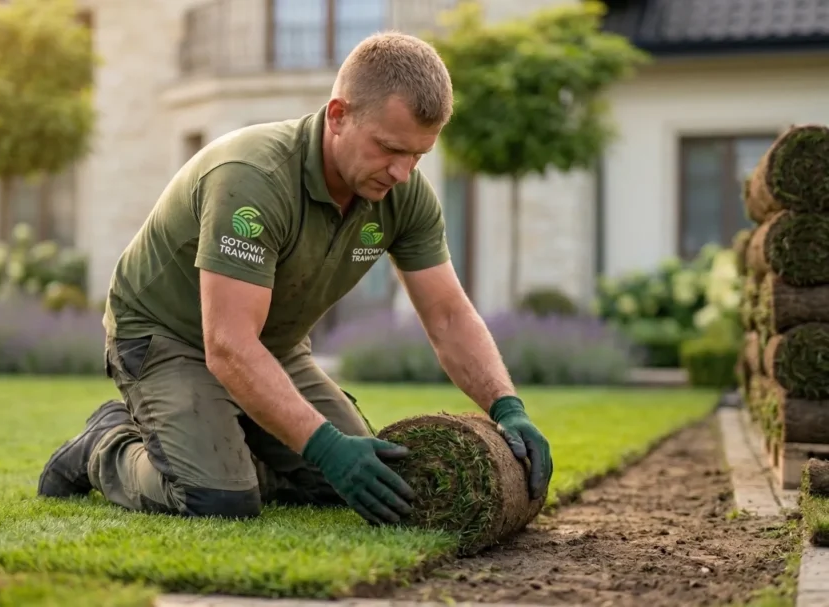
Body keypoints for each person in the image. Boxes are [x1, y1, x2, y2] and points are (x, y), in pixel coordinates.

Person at [37, 31, 552, 525]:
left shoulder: (403, 195)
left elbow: (447, 315)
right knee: (218, 499)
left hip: (273, 345)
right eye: (389, 149)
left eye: (418, 155)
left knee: (361, 479)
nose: (402, 172)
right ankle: (106, 445)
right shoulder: (252, 179)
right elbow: (227, 343)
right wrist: (324, 445)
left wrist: (507, 407)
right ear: (338, 116)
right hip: (167, 338)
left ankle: (225, 438)